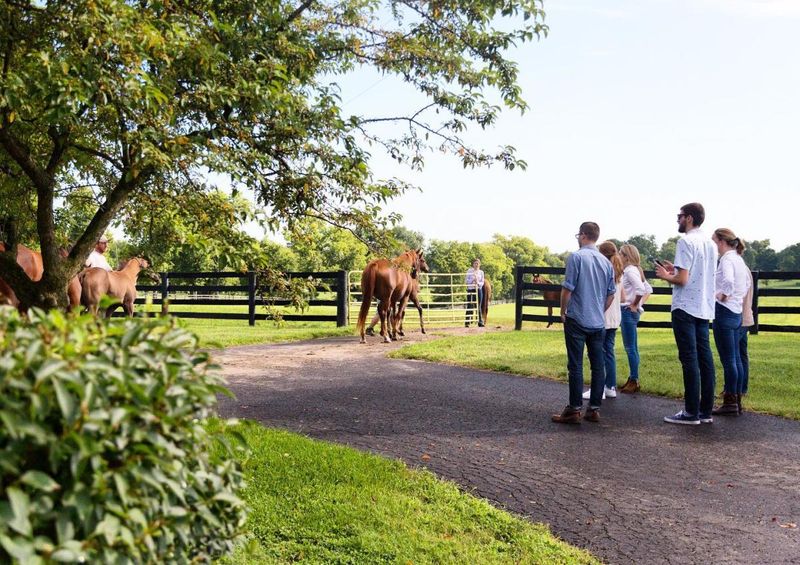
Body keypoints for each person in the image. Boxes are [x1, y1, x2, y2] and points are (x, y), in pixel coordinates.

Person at [655, 203, 717, 425]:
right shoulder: (711, 244)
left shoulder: (685, 242)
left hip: (685, 306)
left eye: (679, 216)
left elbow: (682, 280)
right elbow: (693, 273)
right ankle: (705, 411)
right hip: (703, 306)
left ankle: (691, 412)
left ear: (689, 218)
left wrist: (665, 275)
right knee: (705, 358)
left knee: (689, 358)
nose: (678, 220)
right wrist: (675, 269)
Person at [552, 222, 616, 424]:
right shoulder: (606, 262)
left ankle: (574, 409)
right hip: (598, 322)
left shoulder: (577, 257)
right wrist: (599, 310)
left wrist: (563, 311)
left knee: (576, 365)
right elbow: (611, 294)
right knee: (598, 365)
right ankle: (594, 408)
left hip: (577, 318)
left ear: (583, 235)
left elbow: (567, 288)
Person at [710, 228, 751, 417]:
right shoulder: (739, 259)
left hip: (725, 311)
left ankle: (730, 402)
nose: (714, 245)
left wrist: (722, 295)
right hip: (736, 312)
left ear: (721, 241)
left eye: (714, 241)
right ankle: (737, 399)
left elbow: (728, 281)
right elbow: (747, 283)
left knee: (728, 360)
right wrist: (736, 298)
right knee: (736, 358)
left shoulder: (726, 259)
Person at [583, 241, 623, 400]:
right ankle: (610, 386)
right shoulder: (619, 272)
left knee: (597, 354)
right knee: (609, 353)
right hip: (615, 317)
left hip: (602, 317)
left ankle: (598, 389)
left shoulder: (604, 269)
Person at [617, 243, 652, 394]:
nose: (618, 255)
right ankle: (632, 378)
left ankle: (634, 380)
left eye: (620, 253)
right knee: (633, 347)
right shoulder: (635, 270)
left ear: (626, 256)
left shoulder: (630, 271)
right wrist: (639, 304)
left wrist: (635, 304)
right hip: (630, 312)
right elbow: (649, 289)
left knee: (630, 348)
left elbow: (641, 290)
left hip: (627, 312)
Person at [738, 268, 755, 414]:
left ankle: (735, 390)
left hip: (738, 317)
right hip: (746, 316)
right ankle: (742, 388)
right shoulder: (745, 269)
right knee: (742, 354)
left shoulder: (736, 268)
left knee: (734, 355)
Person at [465, 259, 485, 327]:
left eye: (477, 263)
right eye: (475, 263)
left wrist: (478, 282)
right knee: (469, 305)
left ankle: (480, 322)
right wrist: (472, 280)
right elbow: (466, 281)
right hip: (471, 289)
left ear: (479, 264)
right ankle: (467, 322)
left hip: (478, 289)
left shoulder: (481, 272)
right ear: (473, 264)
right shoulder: (469, 271)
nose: (476, 265)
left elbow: (482, 282)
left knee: (478, 305)